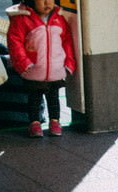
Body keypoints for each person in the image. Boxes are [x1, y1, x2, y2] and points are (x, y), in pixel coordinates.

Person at [6, 0, 75, 138]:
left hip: (55, 69)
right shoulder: (22, 19)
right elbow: (15, 42)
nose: (47, 3)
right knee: (34, 98)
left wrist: (69, 63)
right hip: (33, 69)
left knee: (53, 98)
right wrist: (23, 63)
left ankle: (55, 121)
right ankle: (34, 123)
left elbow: (67, 41)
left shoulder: (59, 17)